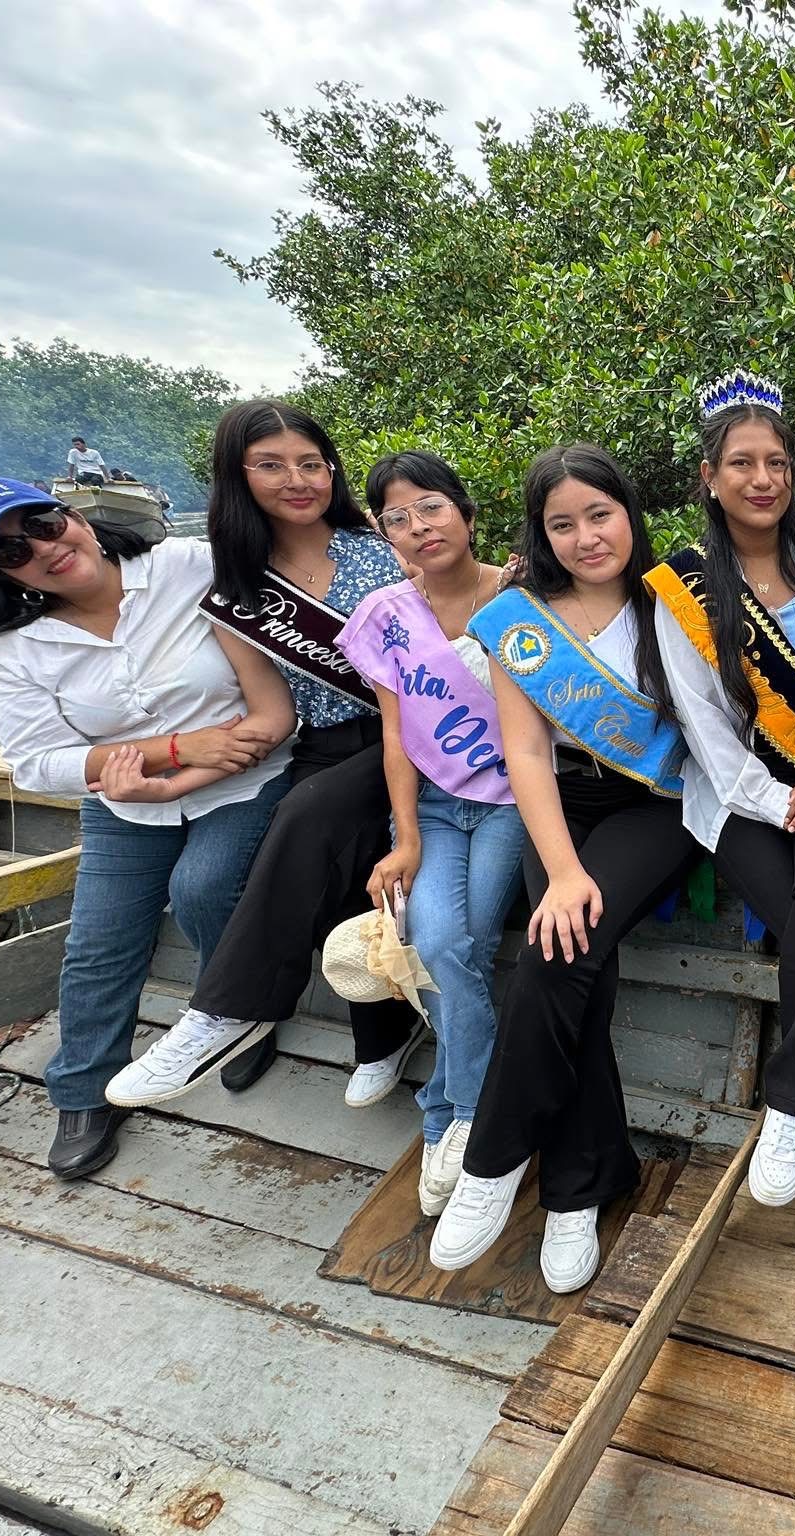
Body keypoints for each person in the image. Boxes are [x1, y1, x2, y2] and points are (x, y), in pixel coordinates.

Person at [0, 477, 293, 1177]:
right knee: (98, 942)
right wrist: (174, 751)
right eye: (12, 552)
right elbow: (36, 763)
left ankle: (239, 1013)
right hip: (126, 804)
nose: (42, 549)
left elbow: (303, 576)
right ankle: (82, 1092)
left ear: (75, 516)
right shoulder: (13, 652)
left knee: (205, 886)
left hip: (246, 778)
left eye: (44, 525)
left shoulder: (187, 566)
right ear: (3, 576)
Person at [429, 445, 702, 1291]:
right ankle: (578, 1190)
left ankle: (492, 1161)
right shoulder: (520, 621)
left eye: (599, 514)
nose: (586, 537)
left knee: (558, 952)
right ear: (540, 534)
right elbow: (525, 754)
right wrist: (563, 870)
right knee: (572, 959)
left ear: (628, 513)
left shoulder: (675, 601)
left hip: (657, 805)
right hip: (560, 803)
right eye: (562, 524)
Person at [102, 400, 419, 1108]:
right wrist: (173, 782)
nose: (297, 480)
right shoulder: (238, 588)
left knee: (307, 815)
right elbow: (273, 716)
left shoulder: (382, 548)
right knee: (331, 857)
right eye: (271, 465)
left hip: (418, 734)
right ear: (237, 476)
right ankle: (383, 1038)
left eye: (311, 463)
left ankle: (229, 1010)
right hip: (326, 745)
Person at [646, 369, 795, 1212]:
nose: (763, 479)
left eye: (776, 462)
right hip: (736, 797)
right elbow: (706, 733)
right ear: (710, 477)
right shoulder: (685, 590)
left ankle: (790, 1107)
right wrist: (783, 802)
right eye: (742, 463)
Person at [335, 452, 523, 1217]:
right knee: (444, 942)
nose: (419, 526)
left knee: (458, 946)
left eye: (432, 507)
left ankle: (444, 1108)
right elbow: (396, 738)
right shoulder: (387, 615)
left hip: (513, 802)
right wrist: (405, 838)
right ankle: (471, 1112)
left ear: (467, 515)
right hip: (437, 807)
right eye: (398, 518)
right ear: (386, 535)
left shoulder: (519, 595)